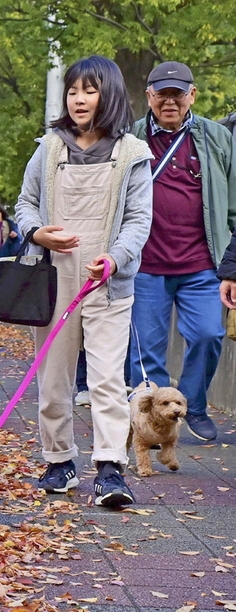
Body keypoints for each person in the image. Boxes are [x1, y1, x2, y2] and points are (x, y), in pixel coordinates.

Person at [15, 55, 153, 507]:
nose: (78, 99)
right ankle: (59, 461)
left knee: (107, 380)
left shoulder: (132, 154)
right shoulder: (49, 148)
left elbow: (138, 221)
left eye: (89, 91)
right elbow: (25, 205)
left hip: (108, 282)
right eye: (73, 90)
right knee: (53, 378)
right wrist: (36, 233)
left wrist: (114, 259)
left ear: (108, 94)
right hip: (54, 279)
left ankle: (111, 468)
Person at [129, 61, 236, 443]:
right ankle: (147, 429)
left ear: (192, 95)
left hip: (202, 263)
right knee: (146, 355)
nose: (169, 101)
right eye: (162, 93)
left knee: (209, 334)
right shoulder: (131, 138)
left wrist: (233, 266)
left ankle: (194, 404)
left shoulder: (217, 138)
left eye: (178, 93)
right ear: (149, 97)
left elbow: (234, 205)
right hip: (146, 265)